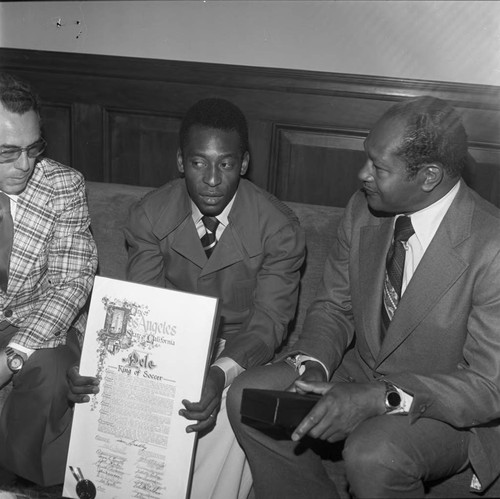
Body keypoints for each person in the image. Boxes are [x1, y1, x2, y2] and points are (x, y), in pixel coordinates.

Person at [227, 96, 500, 498]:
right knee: (247, 400)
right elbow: (333, 307)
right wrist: (315, 365)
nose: (362, 174)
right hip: (357, 372)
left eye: (379, 167)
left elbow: (487, 386)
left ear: (428, 176)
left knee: (373, 453)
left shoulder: (491, 246)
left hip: (448, 410)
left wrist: (380, 398)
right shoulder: (362, 210)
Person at [68, 97, 306, 498]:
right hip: (168, 343)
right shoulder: (148, 215)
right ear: (181, 162)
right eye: (198, 163)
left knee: (232, 404)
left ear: (244, 164)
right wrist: (98, 364)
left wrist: (218, 371)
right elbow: (142, 309)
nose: (212, 179)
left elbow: (269, 324)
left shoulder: (279, 228)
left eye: (226, 164)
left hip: (241, 349)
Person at [0, 72, 98, 487]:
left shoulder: (62, 185)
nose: (25, 165)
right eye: (7, 152)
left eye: (33, 148)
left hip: (35, 319)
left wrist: (14, 355)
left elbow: (72, 282)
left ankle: (15, 482)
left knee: (52, 369)